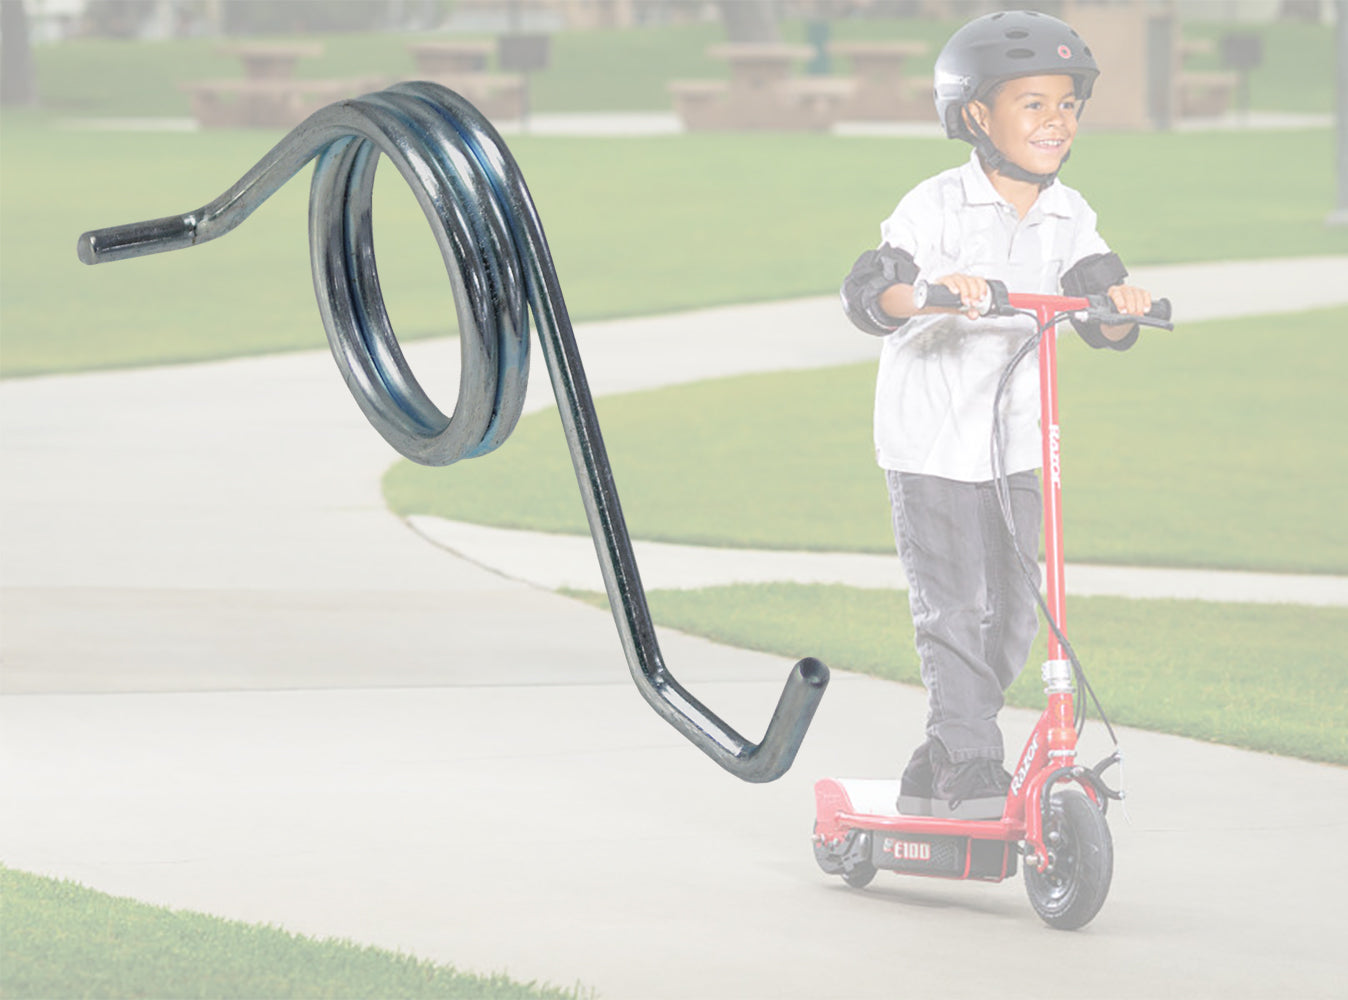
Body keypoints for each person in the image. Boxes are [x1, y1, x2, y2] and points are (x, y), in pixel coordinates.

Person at [839, 10, 1153, 819]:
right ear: (977, 115)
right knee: (954, 604)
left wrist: (1119, 304)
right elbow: (876, 291)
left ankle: (944, 746)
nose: (1057, 121)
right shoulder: (937, 206)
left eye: (1068, 105)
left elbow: (1103, 316)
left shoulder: (1068, 215)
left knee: (1018, 613)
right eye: (1034, 104)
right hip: (932, 439)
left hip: (1017, 441)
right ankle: (972, 760)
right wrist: (940, 292)